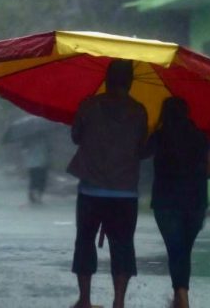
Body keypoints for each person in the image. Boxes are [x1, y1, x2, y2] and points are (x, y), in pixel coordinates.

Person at [67, 59, 148, 308]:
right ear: (131, 82)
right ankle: (119, 301)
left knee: (84, 242)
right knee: (122, 246)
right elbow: (141, 147)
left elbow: (76, 136)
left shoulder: (88, 105)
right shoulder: (139, 111)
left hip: (90, 189)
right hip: (124, 192)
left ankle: (85, 299)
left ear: (107, 79)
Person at [147, 97, 210, 308]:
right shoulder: (200, 137)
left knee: (175, 249)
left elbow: (138, 153)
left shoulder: (159, 137)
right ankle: (180, 294)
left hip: (166, 202)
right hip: (195, 202)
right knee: (184, 249)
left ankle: (181, 295)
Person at [22, 137, 48, 204]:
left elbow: (24, 152)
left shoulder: (27, 141)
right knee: (41, 181)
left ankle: (33, 195)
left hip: (32, 164)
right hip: (41, 164)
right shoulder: (44, 140)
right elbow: (47, 151)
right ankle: (39, 197)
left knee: (33, 180)